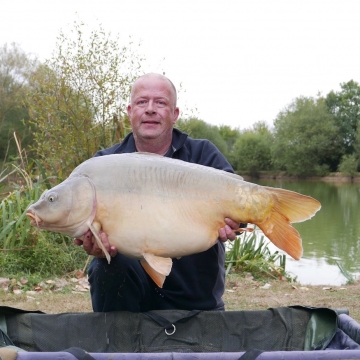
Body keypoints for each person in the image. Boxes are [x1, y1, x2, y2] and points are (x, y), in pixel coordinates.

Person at [75, 73, 241, 312]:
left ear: (174, 114)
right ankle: (119, 338)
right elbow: (86, 228)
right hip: (129, 303)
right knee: (105, 266)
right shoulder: (104, 164)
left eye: (160, 103)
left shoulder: (203, 155)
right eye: (142, 102)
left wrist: (235, 220)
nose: (150, 109)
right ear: (130, 111)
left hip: (197, 303)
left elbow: (240, 209)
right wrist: (96, 247)